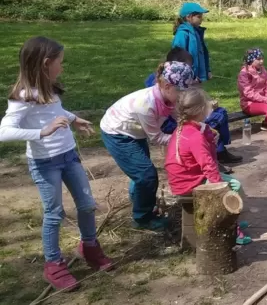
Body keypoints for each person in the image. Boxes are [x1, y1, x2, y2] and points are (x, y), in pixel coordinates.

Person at [0, 37, 113, 290]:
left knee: (86, 205)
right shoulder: (23, 96)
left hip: (69, 156)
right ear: (45, 63)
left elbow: (54, 112)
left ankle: (89, 247)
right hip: (45, 163)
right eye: (59, 62)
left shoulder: (49, 87)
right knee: (54, 214)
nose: (62, 67)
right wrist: (42, 132)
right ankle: (53, 264)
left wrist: (73, 119)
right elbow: (4, 132)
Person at [100, 61, 195, 230]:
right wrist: (183, 138)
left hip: (135, 131)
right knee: (147, 175)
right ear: (166, 86)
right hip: (118, 133)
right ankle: (142, 218)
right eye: (181, 91)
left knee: (141, 171)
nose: (184, 96)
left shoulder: (169, 97)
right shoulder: (146, 105)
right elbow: (157, 138)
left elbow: (178, 115)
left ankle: (137, 197)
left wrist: (192, 126)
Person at [164, 87, 250, 244]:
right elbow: (208, 163)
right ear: (201, 109)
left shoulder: (185, 128)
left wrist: (208, 133)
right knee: (235, 186)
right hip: (190, 182)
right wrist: (220, 187)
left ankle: (233, 221)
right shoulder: (195, 136)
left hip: (184, 178)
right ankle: (229, 227)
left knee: (231, 183)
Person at [146, 48, 239, 166]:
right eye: (189, 66)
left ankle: (219, 151)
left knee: (219, 113)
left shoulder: (175, 81)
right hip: (173, 123)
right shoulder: (165, 90)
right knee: (216, 118)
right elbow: (180, 110)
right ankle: (213, 156)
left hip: (181, 117)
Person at [172, 2, 212, 82]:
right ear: (189, 17)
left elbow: (201, 54)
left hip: (197, 77)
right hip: (186, 78)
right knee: (188, 94)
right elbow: (178, 58)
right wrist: (190, 76)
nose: (201, 19)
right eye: (199, 17)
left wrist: (207, 71)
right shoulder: (182, 34)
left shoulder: (196, 32)